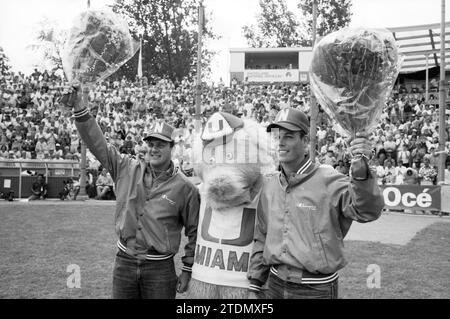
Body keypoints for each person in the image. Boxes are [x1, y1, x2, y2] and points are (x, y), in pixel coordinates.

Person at [63, 85, 200, 299]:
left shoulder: (185, 188)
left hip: (160, 268)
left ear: (171, 147)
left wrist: (188, 269)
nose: (154, 149)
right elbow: (97, 144)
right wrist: (80, 108)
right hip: (124, 261)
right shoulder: (126, 167)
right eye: (150, 143)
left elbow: (194, 232)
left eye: (160, 145)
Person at [248, 108, 384, 299]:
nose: (280, 142)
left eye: (288, 136)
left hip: (315, 290)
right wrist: (255, 282)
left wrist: (361, 169)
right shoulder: (270, 185)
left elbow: (367, 211)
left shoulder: (330, 180)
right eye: (277, 136)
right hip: (274, 285)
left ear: (305, 142)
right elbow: (262, 235)